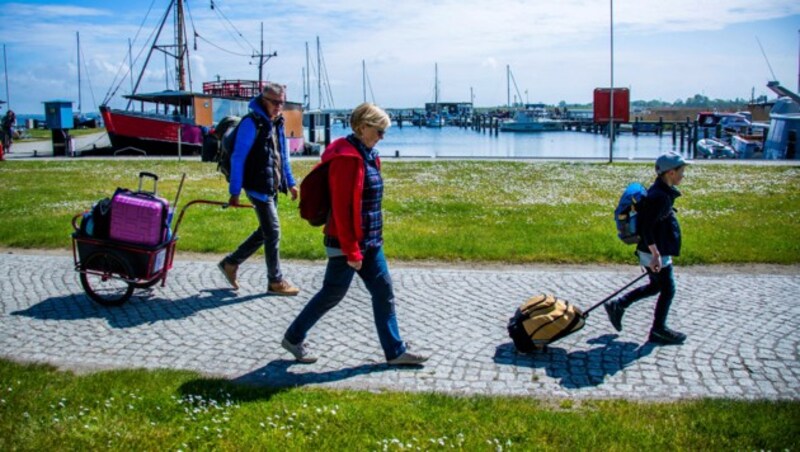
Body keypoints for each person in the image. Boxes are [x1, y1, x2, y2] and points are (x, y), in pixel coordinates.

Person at [281, 103, 428, 366]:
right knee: (332, 294)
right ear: (361, 127)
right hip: (346, 242)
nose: (382, 136)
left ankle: (395, 351)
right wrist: (352, 250)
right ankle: (293, 337)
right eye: (378, 130)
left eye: (384, 131)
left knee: (384, 292)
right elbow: (342, 208)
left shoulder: (370, 154)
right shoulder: (346, 160)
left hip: (371, 241)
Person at [217, 83, 300, 296]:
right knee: (273, 232)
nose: (279, 106)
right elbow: (238, 157)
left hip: (271, 184)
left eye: (282, 102)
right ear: (263, 100)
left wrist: (290, 182)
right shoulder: (250, 123)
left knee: (265, 231)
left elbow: (284, 156)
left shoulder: (278, 123)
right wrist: (234, 191)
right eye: (275, 102)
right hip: (256, 186)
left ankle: (231, 263)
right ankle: (275, 281)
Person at [604, 152, 690, 345]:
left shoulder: (661, 192)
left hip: (652, 250)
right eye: (681, 171)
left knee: (656, 286)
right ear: (670, 173)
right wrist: (656, 254)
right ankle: (658, 330)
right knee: (668, 290)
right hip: (652, 252)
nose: (683, 175)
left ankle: (618, 305)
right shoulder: (661, 197)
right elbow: (646, 226)